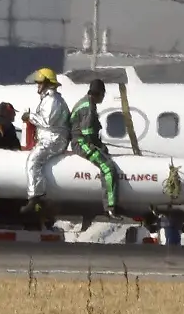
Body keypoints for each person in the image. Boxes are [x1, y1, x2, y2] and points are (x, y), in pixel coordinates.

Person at [70, 78, 120, 229]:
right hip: (81, 143)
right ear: (100, 94)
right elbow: (87, 133)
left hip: (85, 141)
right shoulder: (89, 108)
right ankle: (110, 209)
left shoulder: (87, 102)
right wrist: (98, 146)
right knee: (108, 168)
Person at [23, 68, 70, 213]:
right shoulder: (49, 99)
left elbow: (47, 121)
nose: (38, 86)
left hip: (54, 139)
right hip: (50, 138)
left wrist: (29, 116)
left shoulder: (52, 100)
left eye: (40, 83)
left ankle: (35, 197)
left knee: (33, 161)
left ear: (47, 83)